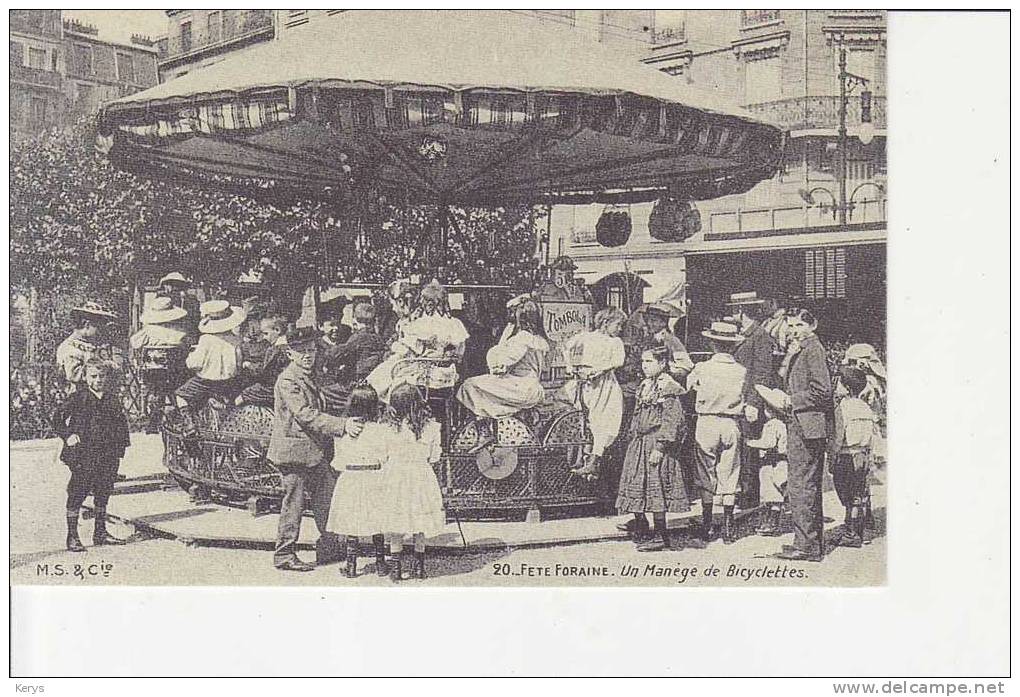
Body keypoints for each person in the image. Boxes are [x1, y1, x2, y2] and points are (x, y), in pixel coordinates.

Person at [268, 326, 364, 572]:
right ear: (290, 353)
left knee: (326, 499)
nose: (308, 355)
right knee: (294, 505)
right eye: (301, 352)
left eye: (311, 350)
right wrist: (342, 425)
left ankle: (330, 547)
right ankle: (284, 555)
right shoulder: (289, 379)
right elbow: (305, 414)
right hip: (294, 453)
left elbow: (330, 398)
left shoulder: (311, 375)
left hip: (312, 451)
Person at [772, 308, 833, 562]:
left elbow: (823, 391)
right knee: (804, 485)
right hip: (803, 425)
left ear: (812, 325)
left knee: (801, 485)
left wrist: (790, 400)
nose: (793, 331)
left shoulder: (812, 350)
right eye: (790, 326)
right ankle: (809, 542)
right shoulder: (802, 349)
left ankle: (806, 546)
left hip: (806, 426)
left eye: (798, 325)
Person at [614, 347, 690, 552]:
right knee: (636, 481)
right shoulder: (646, 385)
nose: (644, 366)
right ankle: (640, 521)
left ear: (662, 363)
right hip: (640, 442)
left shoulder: (668, 388)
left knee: (656, 486)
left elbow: (672, 420)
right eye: (643, 362)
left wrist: (661, 446)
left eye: (649, 362)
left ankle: (661, 535)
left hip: (656, 442)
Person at [52, 359, 131, 552]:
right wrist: (68, 435)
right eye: (94, 376)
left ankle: (100, 532)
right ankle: (72, 536)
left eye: (102, 376)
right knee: (78, 492)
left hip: (108, 453)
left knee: (103, 492)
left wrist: (120, 448)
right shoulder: (79, 397)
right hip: (83, 454)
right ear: (86, 378)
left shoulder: (112, 398)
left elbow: (121, 424)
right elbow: (56, 418)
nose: (98, 380)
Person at [685, 321, 749, 544]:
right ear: (733, 346)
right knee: (730, 473)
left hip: (707, 422)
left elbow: (689, 386)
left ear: (712, 343)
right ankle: (729, 527)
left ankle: (707, 524)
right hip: (731, 423)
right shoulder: (741, 371)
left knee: (706, 474)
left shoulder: (702, 368)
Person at [326, 384, 393, 578]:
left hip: (351, 479)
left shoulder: (343, 431)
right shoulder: (382, 430)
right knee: (377, 523)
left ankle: (351, 566)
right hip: (374, 477)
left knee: (351, 524)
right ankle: (381, 564)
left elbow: (338, 462)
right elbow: (386, 457)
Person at [456, 298, 550, 438]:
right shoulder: (540, 340)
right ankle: (491, 424)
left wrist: (503, 341)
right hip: (532, 387)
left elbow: (499, 364)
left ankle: (484, 428)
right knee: (486, 386)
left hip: (520, 388)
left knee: (469, 385)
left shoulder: (522, 338)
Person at [381, 383, 446, 581]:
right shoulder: (433, 427)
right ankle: (419, 568)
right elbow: (434, 457)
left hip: (395, 476)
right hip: (421, 476)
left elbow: (382, 456)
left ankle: (396, 570)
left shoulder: (387, 429)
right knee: (420, 520)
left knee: (396, 521)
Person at [367, 280, 469, 402]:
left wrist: (394, 346)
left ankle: (388, 408)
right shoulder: (455, 324)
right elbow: (459, 354)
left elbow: (407, 351)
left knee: (383, 375)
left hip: (423, 373)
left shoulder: (419, 324)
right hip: (447, 373)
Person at [558, 307, 627, 480]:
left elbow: (617, 362)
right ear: (606, 322)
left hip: (604, 384)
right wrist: (571, 367)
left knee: (603, 421)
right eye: (618, 325)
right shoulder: (585, 336)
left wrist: (598, 371)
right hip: (585, 382)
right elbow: (566, 346)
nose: (620, 329)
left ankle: (594, 460)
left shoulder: (615, 342)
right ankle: (583, 458)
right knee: (583, 419)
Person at [727, 291, 780, 509]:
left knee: (750, 449)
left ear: (740, 311)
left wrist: (754, 403)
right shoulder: (746, 334)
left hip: (750, 401)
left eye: (733, 309)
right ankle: (747, 492)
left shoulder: (760, 336)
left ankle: (751, 495)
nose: (732, 313)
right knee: (743, 448)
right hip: (740, 401)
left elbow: (762, 374)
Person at [174, 300, 246, 438]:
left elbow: (195, 363)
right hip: (229, 383)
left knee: (180, 395)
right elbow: (238, 364)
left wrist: (190, 357)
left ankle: (190, 424)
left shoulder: (206, 339)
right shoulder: (237, 340)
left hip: (205, 382)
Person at [829, 366, 881, 548]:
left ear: (847, 388)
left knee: (847, 495)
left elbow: (837, 435)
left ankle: (852, 534)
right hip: (862, 454)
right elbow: (872, 433)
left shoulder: (842, 408)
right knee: (857, 495)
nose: (836, 386)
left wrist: (831, 459)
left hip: (845, 456)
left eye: (839, 383)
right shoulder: (865, 407)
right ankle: (855, 531)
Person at [130, 297, 192, 433]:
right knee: (176, 389)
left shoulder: (148, 330)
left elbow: (134, 342)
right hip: (175, 370)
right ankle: (179, 416)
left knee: (156, 390)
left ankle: (154, 419)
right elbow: (187, 344)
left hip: (153, 371)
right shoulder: (179, 330)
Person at [317, 302, 387, 414]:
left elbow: (338, 354)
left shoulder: (356, 337)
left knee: (323, 393)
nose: (336, 328)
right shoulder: (378, 338)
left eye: (337, 324)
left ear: (355, 320)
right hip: (369, 382)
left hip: (356, 386)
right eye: (331, 325)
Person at [747, 386, 789, 537]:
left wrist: (750, 443)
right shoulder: (783, 424)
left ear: (770, 409)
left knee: (769, 494)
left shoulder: (772, 425)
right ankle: (772, 523)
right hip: (781, 461)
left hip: (771, 462)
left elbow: (769, 443)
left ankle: (769, 524)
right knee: (776, 497)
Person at [56, 302, 119, 390]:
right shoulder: (70, 347)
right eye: (98, 326)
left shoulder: (91, 344)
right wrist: (105, 366)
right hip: (79, 397)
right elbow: (74, 375)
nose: (100, 331)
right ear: (87, 325)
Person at [236, 315, 290, 408]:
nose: (264, 338)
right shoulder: (289, 345)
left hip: (275, 388)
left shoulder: (275, 349)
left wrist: (249, 365)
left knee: (243, 395)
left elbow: (264, 373)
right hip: (284, 385)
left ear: (277, 330)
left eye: (266, 334)